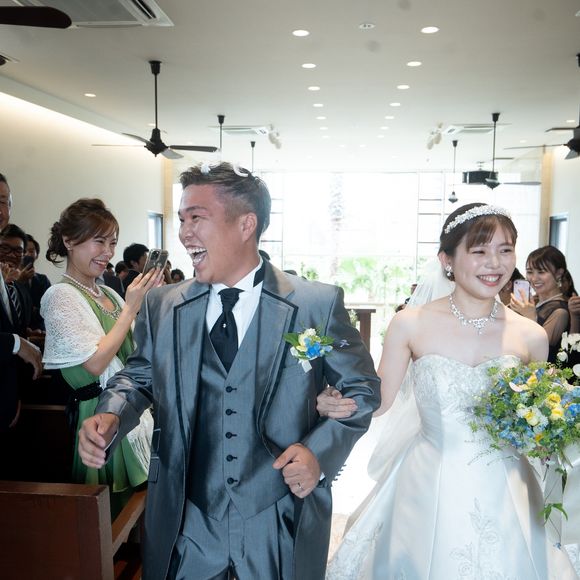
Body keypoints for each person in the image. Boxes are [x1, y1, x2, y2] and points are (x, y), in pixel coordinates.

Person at [77, 162, 380, 580]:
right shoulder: (163, 305)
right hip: (188, 515)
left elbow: (362, 389)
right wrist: (112, 413)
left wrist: (319, 453)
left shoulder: (315, 304)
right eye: (182, 219)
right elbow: (139, 375)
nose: (184, 233)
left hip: (279, 511)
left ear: (246, 225)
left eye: (196, 218)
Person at [318, 203, 577, 579]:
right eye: (480, 251)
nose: (494, 263)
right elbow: (380, 401)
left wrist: (553, 431)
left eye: (505, 250)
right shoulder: (410, 324)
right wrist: (335, 403)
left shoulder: (531, 335)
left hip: (508, 488)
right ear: (447, 260)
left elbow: (537, 419)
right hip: (427, 480)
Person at [40, 198, 163, 515]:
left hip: (124, 408)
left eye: (112, 243)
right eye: (99, 241)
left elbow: (136, 352)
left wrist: (148, 303)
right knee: (111, 515)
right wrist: (131, 307)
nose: (108, 252)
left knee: (141, 511)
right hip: (96, 414)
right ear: (69, 241)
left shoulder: (108, 293)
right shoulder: (59, 295)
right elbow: (95, 363)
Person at [511, 246, 577, 363]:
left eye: (541, 272)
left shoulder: (560, 311)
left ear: (559, 273)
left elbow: (540, 354)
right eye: (530, 272)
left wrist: (531, 317)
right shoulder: (534, 302)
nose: (534, 278)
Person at [24, 234, 51, 331]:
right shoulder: (10, 279)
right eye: (24, 251)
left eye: (31, 251)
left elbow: (49, 309)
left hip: (41, 332)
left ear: (37, 254)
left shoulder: (43, 280)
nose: (27, 254)